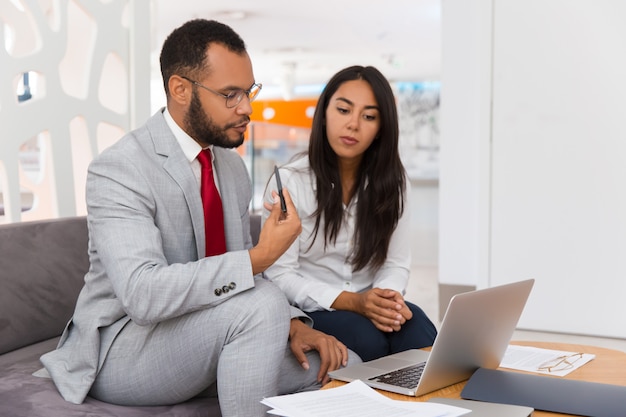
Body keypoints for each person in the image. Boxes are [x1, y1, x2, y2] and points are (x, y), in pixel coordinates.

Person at [40, 19, 358, 417]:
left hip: (209, 333)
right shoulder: (119, 168)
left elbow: (240, 276)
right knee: (259, 306)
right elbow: (143, 295)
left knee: (347, 365)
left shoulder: (231, 167)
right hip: (124, 348)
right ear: (180, 89)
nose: (247, 107)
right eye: (230, 95)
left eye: (248, 91)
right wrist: (260, 257)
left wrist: (295, 325)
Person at [263, 65, 438, 362]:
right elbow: (280, 275)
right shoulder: (292, 181)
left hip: (368, 298)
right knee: (367, 340)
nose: (353, 124)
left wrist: (384, 301)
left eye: (369, 116)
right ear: (324, 114)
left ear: (381, 128)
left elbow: (395, 264)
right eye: (343, 110)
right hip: (314, 306)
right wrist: (354, 303)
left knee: (421, 331)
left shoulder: (394, 184)